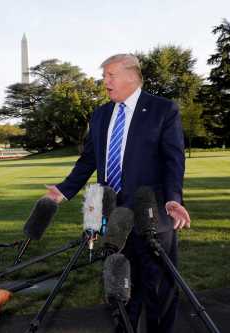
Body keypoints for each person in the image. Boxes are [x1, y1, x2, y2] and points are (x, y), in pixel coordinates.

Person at [45, 54, 190, 333]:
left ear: (132, 76)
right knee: (121, 289)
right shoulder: (100, 115)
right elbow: (89, 159)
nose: (105, 82)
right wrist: (65, 190)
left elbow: (174, 159)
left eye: (110, 75)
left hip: (152, 216)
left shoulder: (162, 109)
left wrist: (174, 198)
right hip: (113, 219)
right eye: (104, 76)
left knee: (159, 291)